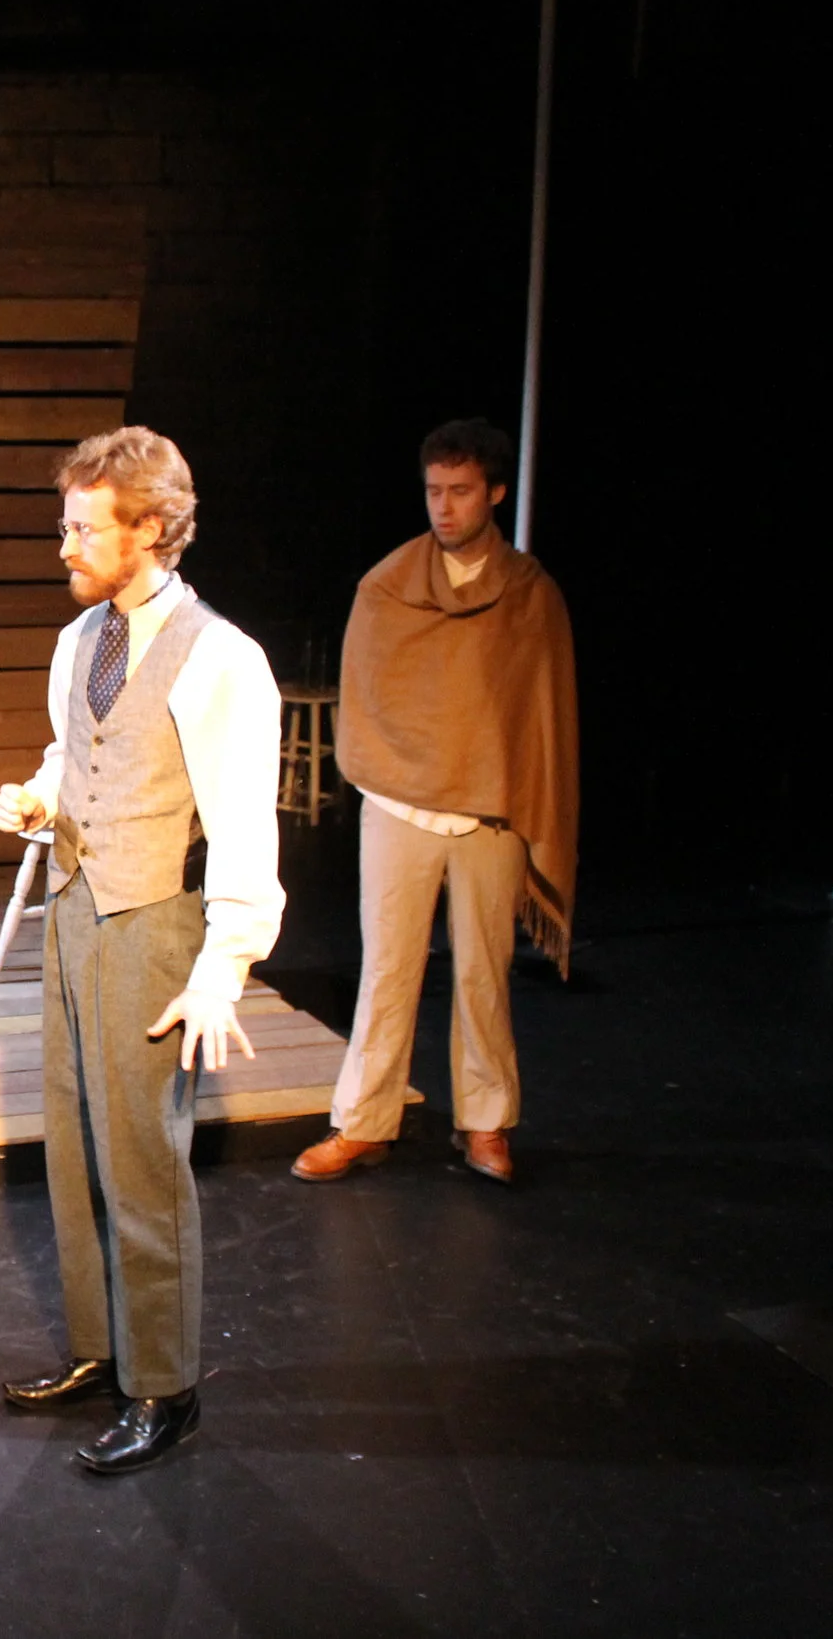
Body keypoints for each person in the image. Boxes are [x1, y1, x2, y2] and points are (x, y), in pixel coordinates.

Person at [0, 426, 285, 1474]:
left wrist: (221, 967)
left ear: (150, 529)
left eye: (84, 529)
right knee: (75, 1146)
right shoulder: (81, 637)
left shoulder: (222, 659)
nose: (64, 547)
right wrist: (41, 799)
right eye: (64, 524)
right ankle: (98, 1346)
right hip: (75, 907)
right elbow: (74, 750)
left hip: (154, 924)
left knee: (144, 1163)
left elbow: (244, 827)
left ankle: (164, 1385)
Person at [292, 417, 578, 1187]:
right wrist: (403, 768)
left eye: (460, 491)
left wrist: (502, 783)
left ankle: (485, 1122)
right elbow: (367, 700)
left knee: (485, 971)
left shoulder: (529, 594)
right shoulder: (389, 586)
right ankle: (362, 1121)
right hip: (401, 805)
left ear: (496, 492)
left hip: (490, 809)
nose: (444, 507)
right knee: (386, 970)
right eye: (433, 491)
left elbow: (541, 715)